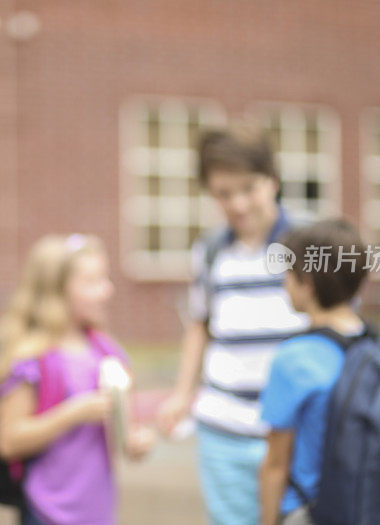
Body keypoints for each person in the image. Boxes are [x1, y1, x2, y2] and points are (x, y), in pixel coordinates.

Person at [156, 123, 308, 525]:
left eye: (248, 188)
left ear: (272, 181)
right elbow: (200, 324)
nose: (238, 203)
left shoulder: (310, 245)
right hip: (223, 430)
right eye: (224, 193)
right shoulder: (209, 251)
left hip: (296, 431)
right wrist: (182, 394)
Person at [0, 234, 155, 525]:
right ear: (56, 291)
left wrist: (137, 441)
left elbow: (125, 434)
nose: (107, 291)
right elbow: (8, 442)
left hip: (97, 511)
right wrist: (75, 412)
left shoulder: (106, 351)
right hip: (46, 511)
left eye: (105, 279)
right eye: (92, 282)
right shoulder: (30, 358)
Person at [259, 219, 368, 525]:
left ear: (306, 283)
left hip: (309, 510)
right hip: (365, 507)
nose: (284, 284)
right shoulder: (373, 345)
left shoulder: (293, 360)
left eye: (287, 275)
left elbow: (275, 465)